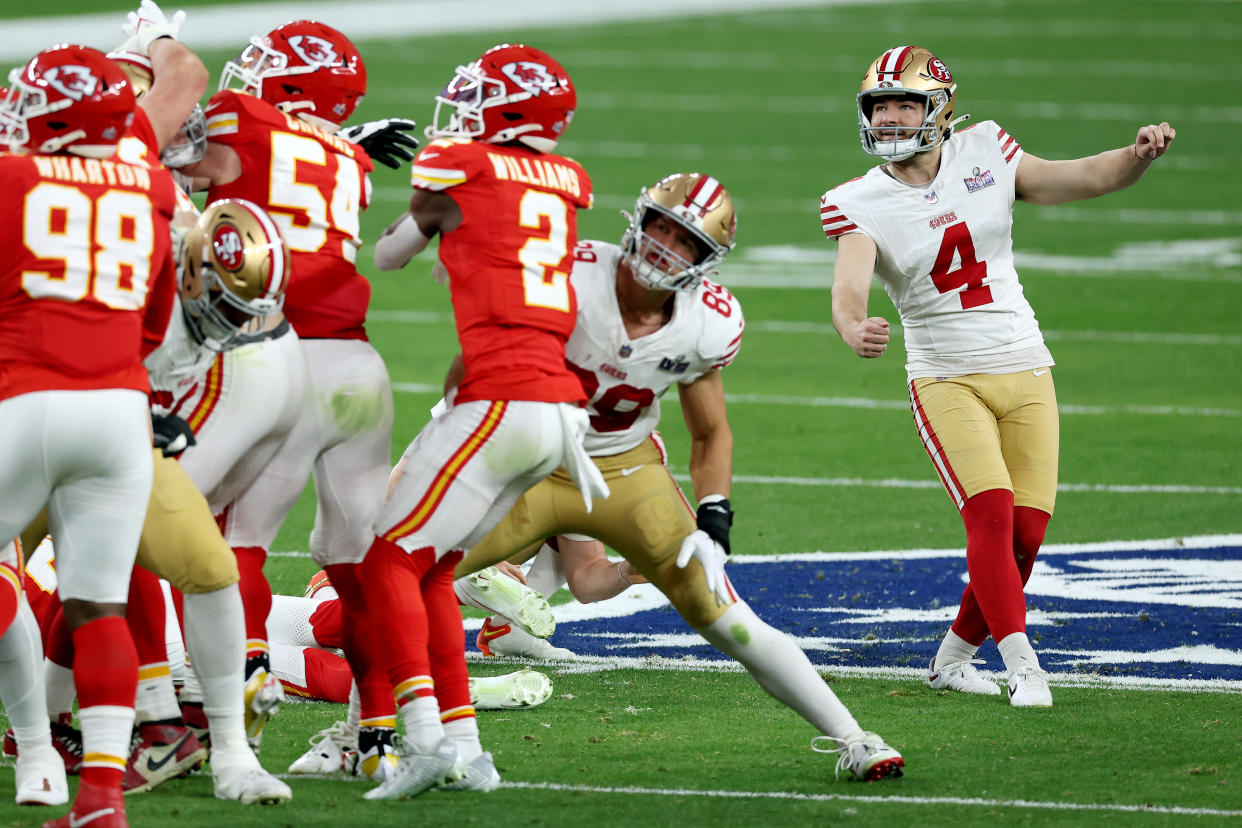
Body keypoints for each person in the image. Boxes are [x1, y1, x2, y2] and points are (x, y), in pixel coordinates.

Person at [455, 171, 905, 783]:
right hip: (521, 460)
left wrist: (715, 514)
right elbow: (470, 367)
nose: (665, 244)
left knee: (725, 613)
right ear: (636, 222)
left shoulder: (706, 321)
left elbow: (710, 432)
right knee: (392, 575)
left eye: (684, 238)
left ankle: (855, 738)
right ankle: (362, 726)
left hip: (623, 471)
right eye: (659, 226)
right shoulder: (567, 270)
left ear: (706, 258)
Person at [821, 45, 1175, 707]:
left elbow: (1085, 177)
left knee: (1028, 535)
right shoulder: (858, 200)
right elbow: (847, 288)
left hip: (1026, 363)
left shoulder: (986, 149)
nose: (891, 118)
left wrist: (1137, 156)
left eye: (905, 103)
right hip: (946, 377)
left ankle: (953, 660)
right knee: (990, 515)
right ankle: (1024, 667)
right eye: (880, 105)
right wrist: (852, 326)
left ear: (940, 108)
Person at [355, 42, 605, 799]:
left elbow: (388, 255)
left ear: (511, 108)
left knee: (387, 561)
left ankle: (424, 739)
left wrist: (428, 228)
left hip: (498, 398)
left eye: (479, 97)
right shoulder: (567, 180)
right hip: (558, 411)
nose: (463, 112)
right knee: (432, 568)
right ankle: (468, 747)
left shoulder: (462, 166)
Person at [172, 18, 414, 754]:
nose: (245, 77)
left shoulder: (242, 121)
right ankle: (375, 736)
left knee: (227, 535)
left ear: (289, 82)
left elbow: (172, 152)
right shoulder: (348, 156)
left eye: (262, 66)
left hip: (279, 356)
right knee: (356, 557)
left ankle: (246, 669)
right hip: (359, 371)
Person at [0, 43, 178, 828]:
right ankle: (101, 802)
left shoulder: (11, 178)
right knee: (99, 607)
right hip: (117, 409)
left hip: (26, 397)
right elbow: (154, 322)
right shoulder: (153, 186)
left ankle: (36, 743)